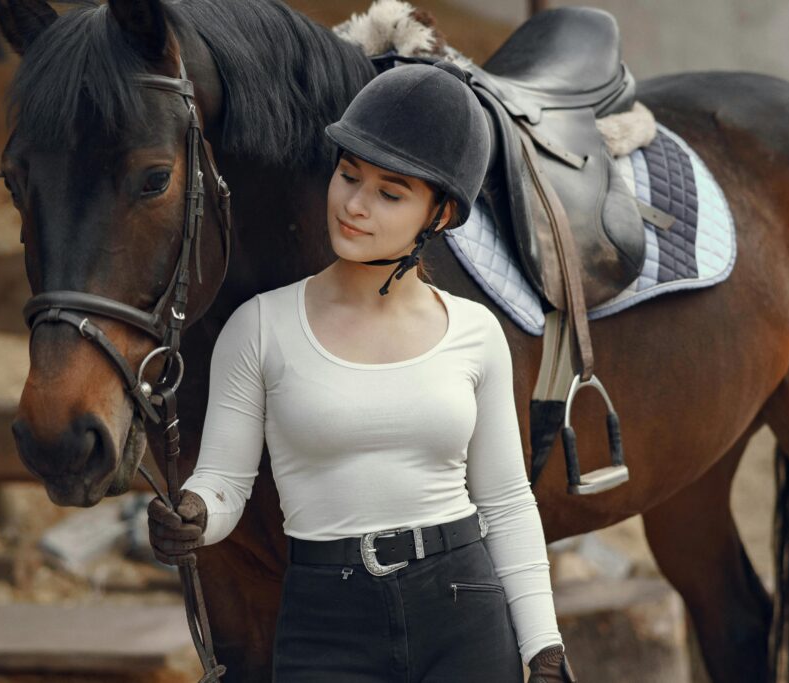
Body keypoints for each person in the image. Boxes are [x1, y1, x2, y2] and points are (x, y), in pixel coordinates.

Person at [148, 61, 576, 682]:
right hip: (325, 620)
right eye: (349, 176)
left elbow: (507, 503)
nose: (354, 205)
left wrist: (543, 647)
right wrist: (192, 514)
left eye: (389, 193)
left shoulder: (475, 333)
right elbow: (225, 482)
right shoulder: (260, 327)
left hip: (464, 607)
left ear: (442, 215)